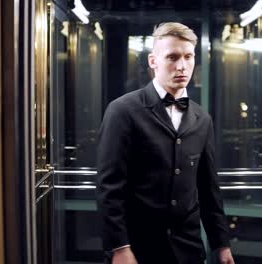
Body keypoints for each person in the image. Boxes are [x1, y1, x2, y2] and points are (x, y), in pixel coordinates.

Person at [97, 22, 235, 264]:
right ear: (153, 61)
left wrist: (221, 245)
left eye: (188, 56)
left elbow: (208, 188)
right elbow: (109, 188)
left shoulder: (202, 118)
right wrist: (119, 247)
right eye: (172, 57)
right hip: (138, 248)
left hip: (189, 248)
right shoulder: (122, 111)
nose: (182, 65)